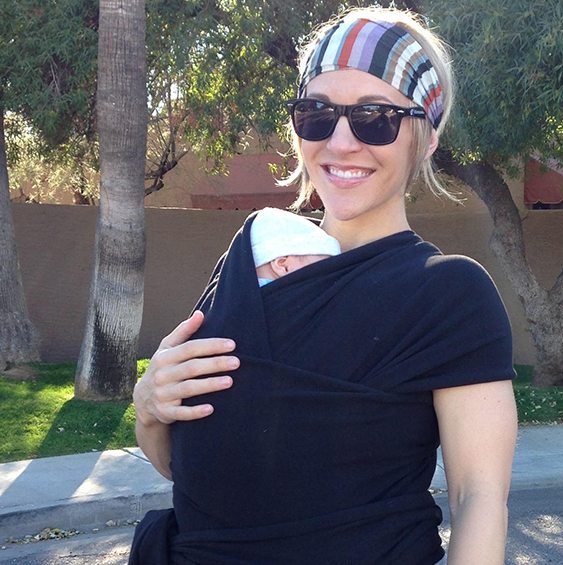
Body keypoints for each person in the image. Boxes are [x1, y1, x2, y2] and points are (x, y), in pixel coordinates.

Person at [131, 6, 517, 565]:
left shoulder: (449, 295)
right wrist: (148, 409)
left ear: (427, 137)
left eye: (374, 117)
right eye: (317, 114)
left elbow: (478, 495)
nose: (340, 142)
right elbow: (198, 473)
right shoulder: (252, 261)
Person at [250, 207, 341, 286]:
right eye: (319, 268)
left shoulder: (245, 291)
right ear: (283, 265)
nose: (327, 276)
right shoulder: (286, 296)